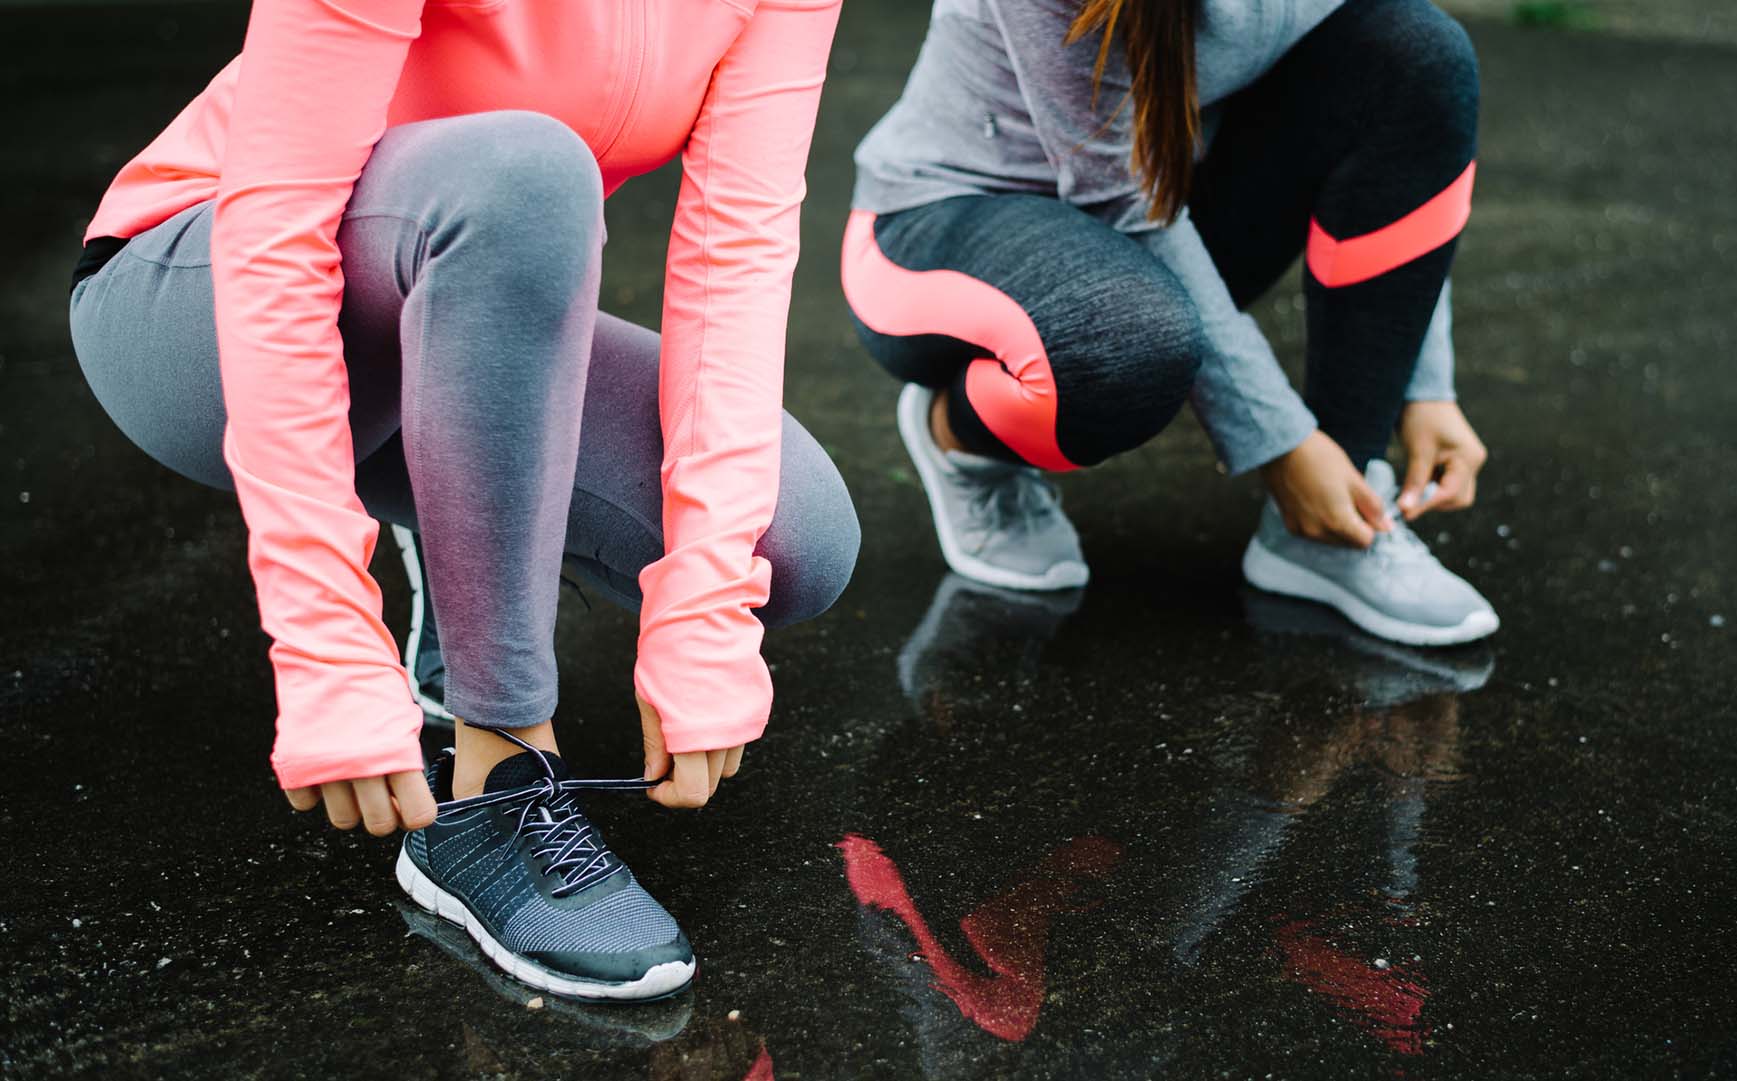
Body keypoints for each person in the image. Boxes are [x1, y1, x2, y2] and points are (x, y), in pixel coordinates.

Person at [67, 0, 856, 1001]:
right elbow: (275, 244)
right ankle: (496, 786)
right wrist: (326, 639)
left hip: (462, 307)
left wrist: (706, 608)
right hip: (195, 293)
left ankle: (466, 526)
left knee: (793, 540)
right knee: (526, 174)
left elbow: (735, 256)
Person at [842, 0, 1497, 645]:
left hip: (1167, 193)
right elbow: (1118, 200)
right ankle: (960, 441)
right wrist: (1282, 447)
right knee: (1125, 340)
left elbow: (1391, 115)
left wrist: (1422, 383)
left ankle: (1333, 529)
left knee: (1418, 51)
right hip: (943, 218)